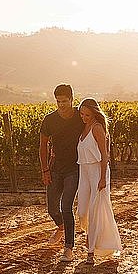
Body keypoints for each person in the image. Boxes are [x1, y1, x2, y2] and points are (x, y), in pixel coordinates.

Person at [40, 84, 85, 262]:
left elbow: (97, 127)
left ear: (72, 99)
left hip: (74, 168)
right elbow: (42, 146)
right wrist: (45, 170)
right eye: (58, 102)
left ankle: (68, 248)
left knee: (66, 206)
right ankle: (61, 227)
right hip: (55, 168)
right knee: (52, 208)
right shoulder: (49, 120)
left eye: (65, 101)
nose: (61, 105)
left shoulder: (80, 117)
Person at [76, 98, 123, 264]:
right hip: (84, 172)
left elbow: (105, 156)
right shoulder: (83, 127)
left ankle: (90, 252)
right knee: (82, 210)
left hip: (97, 171)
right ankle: (92, 236)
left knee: (95, 211)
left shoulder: (97, 128)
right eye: (81, 114)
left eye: (87, 114)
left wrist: (103, 177)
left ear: (94, 113)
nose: (84, 117)